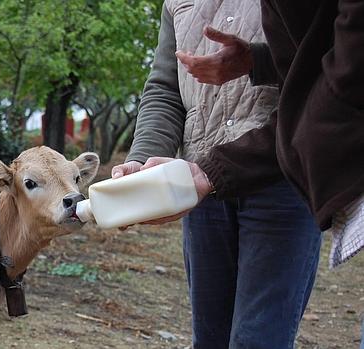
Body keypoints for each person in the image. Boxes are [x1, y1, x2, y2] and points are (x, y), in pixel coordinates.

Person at [131, 0, 364, 346]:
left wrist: (257, 60)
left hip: (280, 181)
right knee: (210, 338)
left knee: (259, 338)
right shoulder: (177, 4)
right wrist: (143, 162)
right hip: (198, 185)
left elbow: (319, 75)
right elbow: (166, 87)